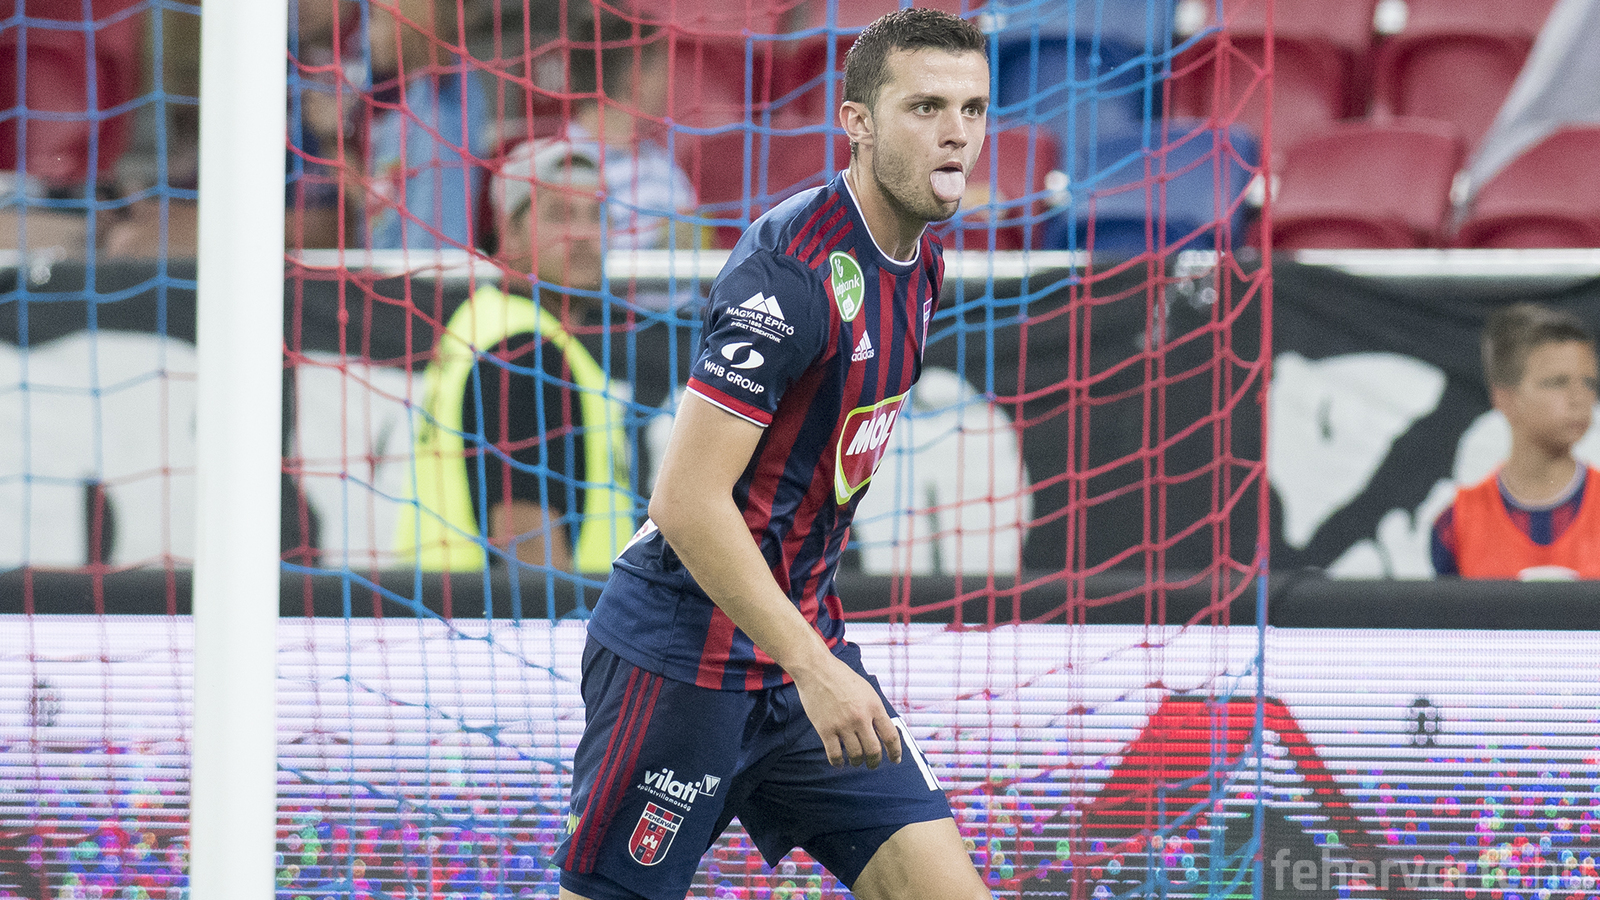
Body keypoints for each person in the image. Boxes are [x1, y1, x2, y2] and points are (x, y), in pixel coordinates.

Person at [552, 9, 992, 900]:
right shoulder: (790, 271)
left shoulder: (920, 264)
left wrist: (810, 660)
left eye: (973, 109)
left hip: (797, 654)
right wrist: (814, 666)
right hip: (683, 662)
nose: (956, 133)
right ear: (857, 121)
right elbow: (685, 502)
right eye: (925, 107)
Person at [394, 139, 634, 574]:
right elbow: (528, 552)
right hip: (502, 615)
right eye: (560, 215)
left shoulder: (484, 321)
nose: (584, 234)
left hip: (444, 604)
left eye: (596, 214)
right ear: (509, 233)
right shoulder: (524, 351)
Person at [1432, 302, 1600, 579]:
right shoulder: (1456, 523)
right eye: (1557, 382)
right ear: (1505, 398)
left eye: (1589, 383)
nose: (1579, 398)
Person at [559, 9, 698, 254]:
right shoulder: (555, 165)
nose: (669, 83)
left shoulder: (663, 165)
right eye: (662, 71)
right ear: (636, 80)